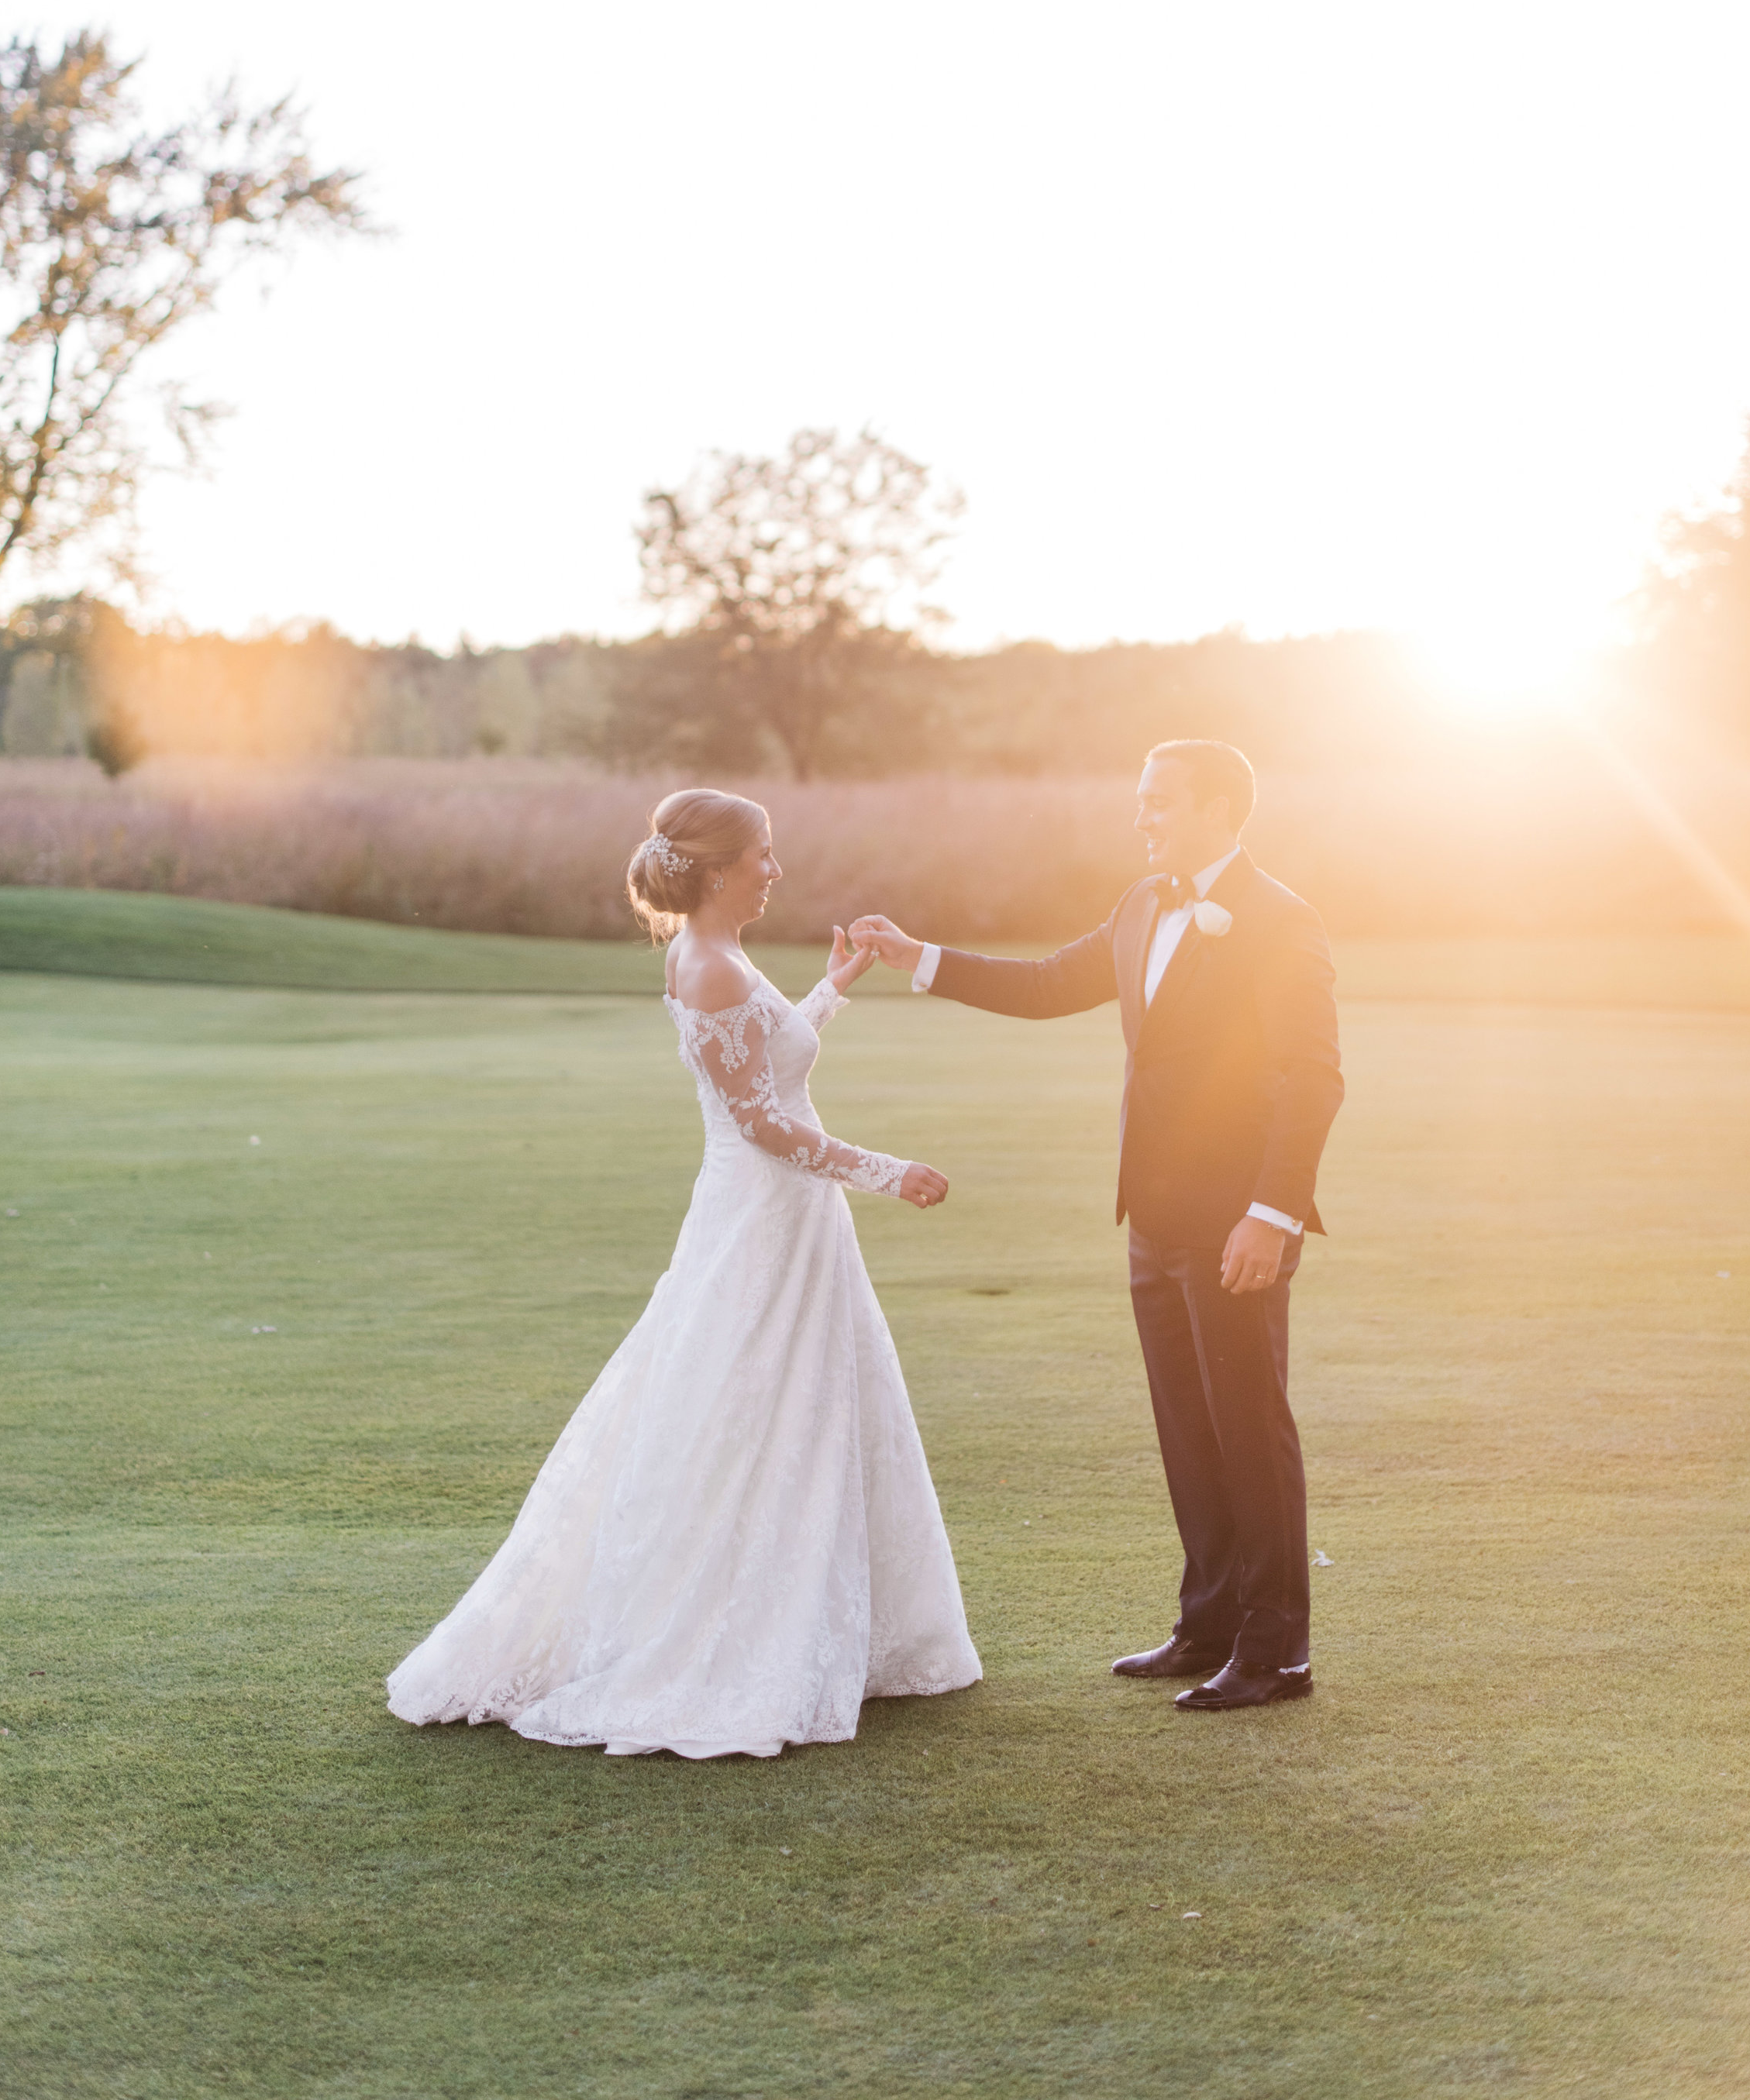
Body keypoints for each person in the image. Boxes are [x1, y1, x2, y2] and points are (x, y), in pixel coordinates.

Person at [387, 786, 980, 1759]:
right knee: (747, 1410)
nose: (776, 871)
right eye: (763, 857)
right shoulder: (705, 963)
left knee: (811, 1405)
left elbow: (773, 1059)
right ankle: (720, 1639)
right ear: (715, 869)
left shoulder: (720, 955)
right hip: (760, 1219)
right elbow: (765, 1123)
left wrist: (832, 983)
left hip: (789, 1222)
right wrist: (889, 1172)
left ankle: (853, 1629)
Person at [850, 738, 1342, 1713]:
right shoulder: (1139, 903)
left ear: (1215, 807)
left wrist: (1271, 1211)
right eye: (1140, 799)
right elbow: (1046, 986)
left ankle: (1277, 1648)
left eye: (1158, 800)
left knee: (1249, 1427)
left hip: (1237, 1218)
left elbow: (1313, 1076)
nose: (1141, 815)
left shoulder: (1280, 917)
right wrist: (922, 957)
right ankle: (1206, 1620)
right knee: (1189, 1430)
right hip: (1151, 1218)